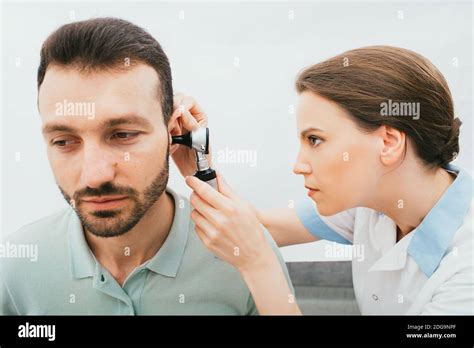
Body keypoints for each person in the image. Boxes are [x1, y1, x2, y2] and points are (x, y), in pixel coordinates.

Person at [0, 17, 292, 315]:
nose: (95, 175)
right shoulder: (15, 267)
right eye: (63, 141)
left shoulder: (248, 254)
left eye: (123, 135)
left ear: (173, 134)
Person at [184, 46, 473, 315]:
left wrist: (259, 266)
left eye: (315, 140)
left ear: (388, 143)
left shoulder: (465, 274)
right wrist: (196, 159)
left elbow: (253, 243)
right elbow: (253, 227)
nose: (298, 166)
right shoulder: (371, 205)